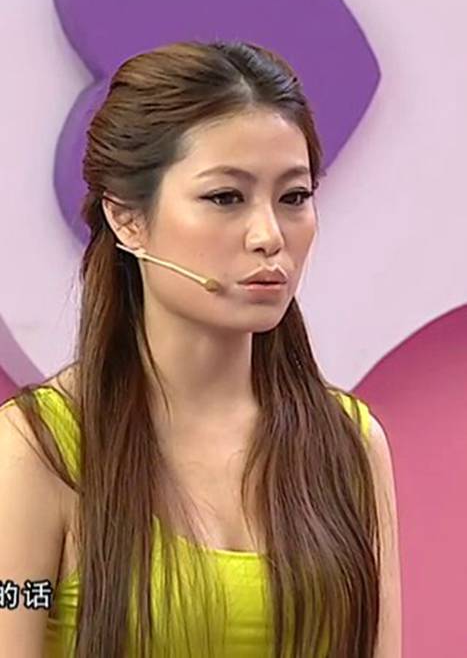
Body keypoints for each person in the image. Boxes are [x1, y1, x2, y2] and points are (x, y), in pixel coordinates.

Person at [0, 40, 401, 657]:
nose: (269, 235)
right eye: (225, 198)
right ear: (127, 219)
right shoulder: (37, 448)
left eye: (294, 197)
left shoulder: (350, 443)